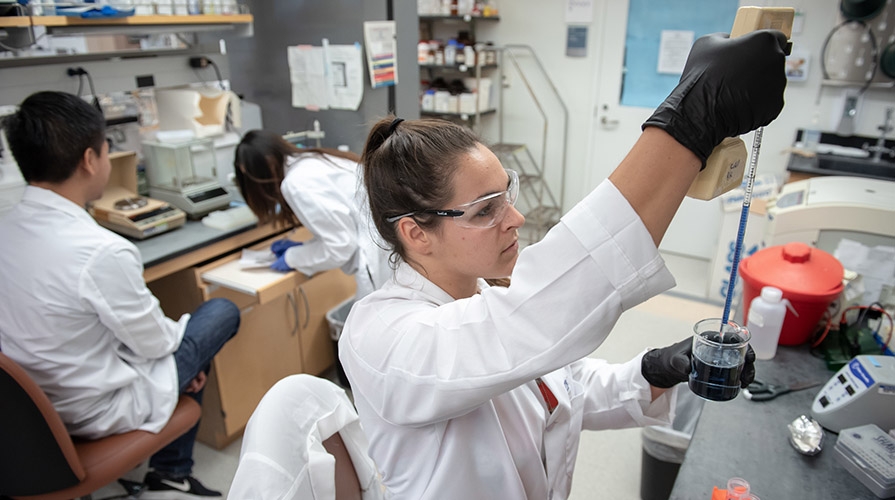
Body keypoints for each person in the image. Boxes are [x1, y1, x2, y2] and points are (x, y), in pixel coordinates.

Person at [339, 29, 787, 499]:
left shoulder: (484, 298)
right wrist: (692, 118)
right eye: (485, 209)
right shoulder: (380, 336)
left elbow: (565, 393)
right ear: (415, 232)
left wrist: (655, 371)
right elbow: (524, 324)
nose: (516, 217)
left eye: (505, 194)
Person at [0, 91, 240, 499]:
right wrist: (184, 358)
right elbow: (157, 342)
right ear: (90, 160)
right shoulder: (100, 251)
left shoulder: (6, 228)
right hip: (91, 410)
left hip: (27, 416)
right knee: (219, 312)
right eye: (108, 152)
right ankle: (171, 473)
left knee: (175, 344)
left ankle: (172, 468)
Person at [233, 130, 391, 299]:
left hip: (377, 259)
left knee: (374, 320)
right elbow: (340, 225)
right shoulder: (313, 159)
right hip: (387, 248)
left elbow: (340, 246)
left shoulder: (296, 183)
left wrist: (293, 258)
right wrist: (306, 247)